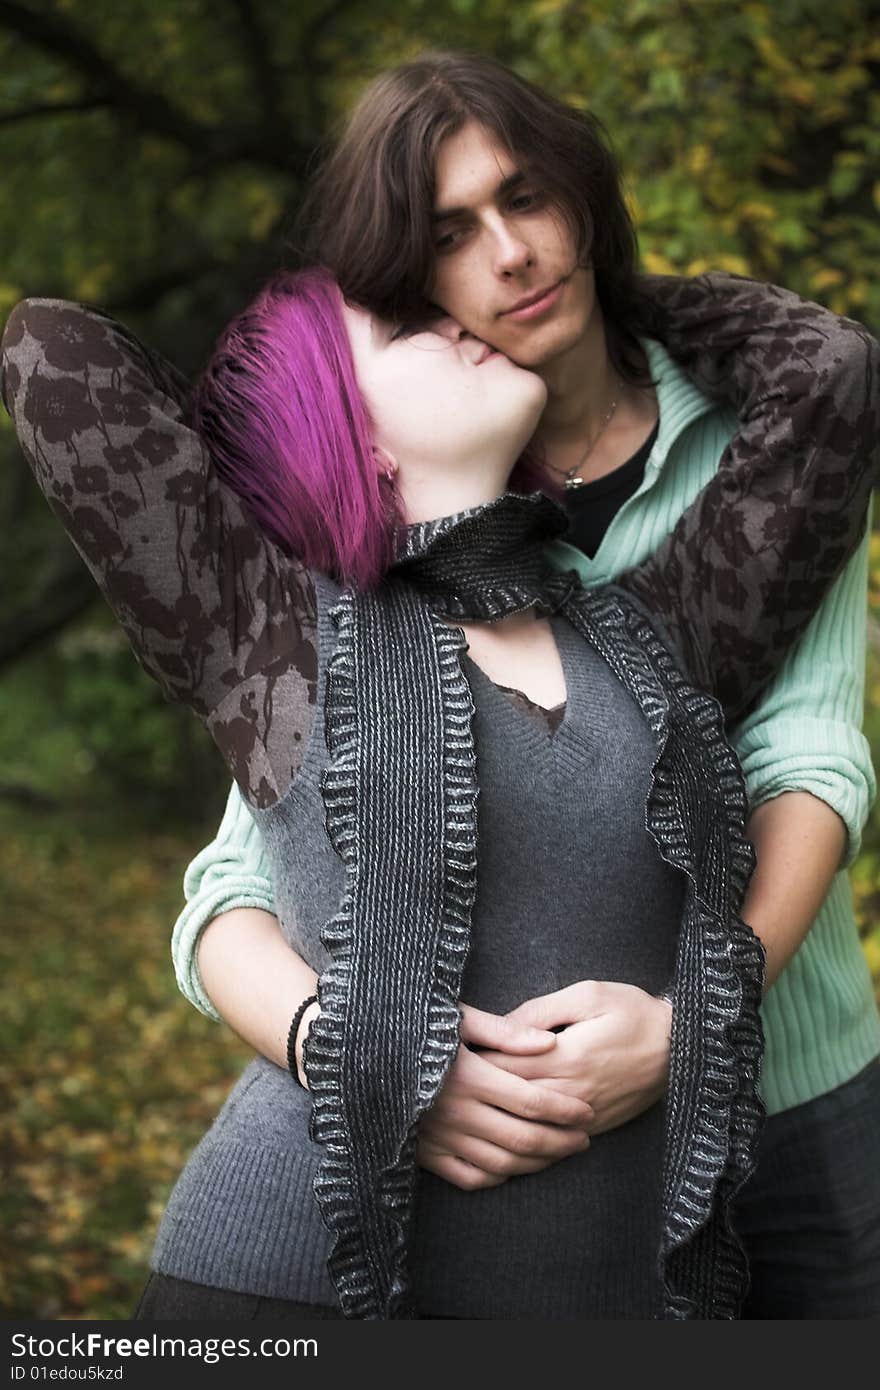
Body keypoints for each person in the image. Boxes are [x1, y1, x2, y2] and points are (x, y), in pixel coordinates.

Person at [1, 256, 875, 1318]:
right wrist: (367, 1058)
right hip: (286, 1291)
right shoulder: (271, 636)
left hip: (604, 1300)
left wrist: (604, 280)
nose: (466, 322)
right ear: (348, 429)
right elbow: (48, 347)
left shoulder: (655, 633)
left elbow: (828, 379)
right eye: (407, 326)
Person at [170, 51, 880, 1319]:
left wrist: (691, 1026)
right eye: (451, 234)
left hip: (794, 1077)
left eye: (529, 196)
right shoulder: (405, 500)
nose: (511, 254)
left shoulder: (763, 435)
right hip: (534, 1161)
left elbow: (807, 761)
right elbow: (236, 878)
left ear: (582, 198)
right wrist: (363, 1061)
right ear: (408, 282)